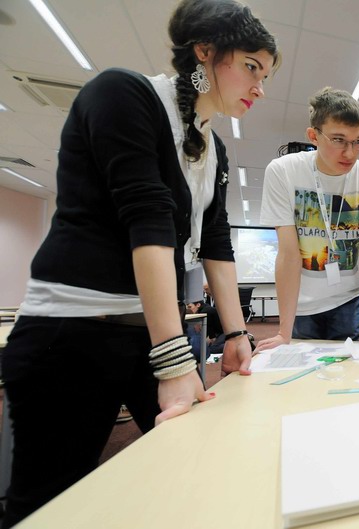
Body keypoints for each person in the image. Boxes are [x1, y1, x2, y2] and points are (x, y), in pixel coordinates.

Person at [0, 1, 279, 526]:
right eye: (251, 67)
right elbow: (148, 220)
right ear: (205, 52)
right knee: (49, 501)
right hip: (71, 335)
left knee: (188, 465)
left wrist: (238, 334)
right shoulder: (124, 94)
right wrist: (176, 363)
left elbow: (216, 243)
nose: (260, 87)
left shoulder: (215, 148)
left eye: (265, 74)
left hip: (145, 336)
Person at [256, 87, 359, 350]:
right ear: (313, 135)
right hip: (301, 304)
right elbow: (288, 255)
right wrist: (284, 332)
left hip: (349, 301)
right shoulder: (283, 171)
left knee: (351, 372)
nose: (350, 153)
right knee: (301, 376)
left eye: (358, 141)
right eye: (339, 140)